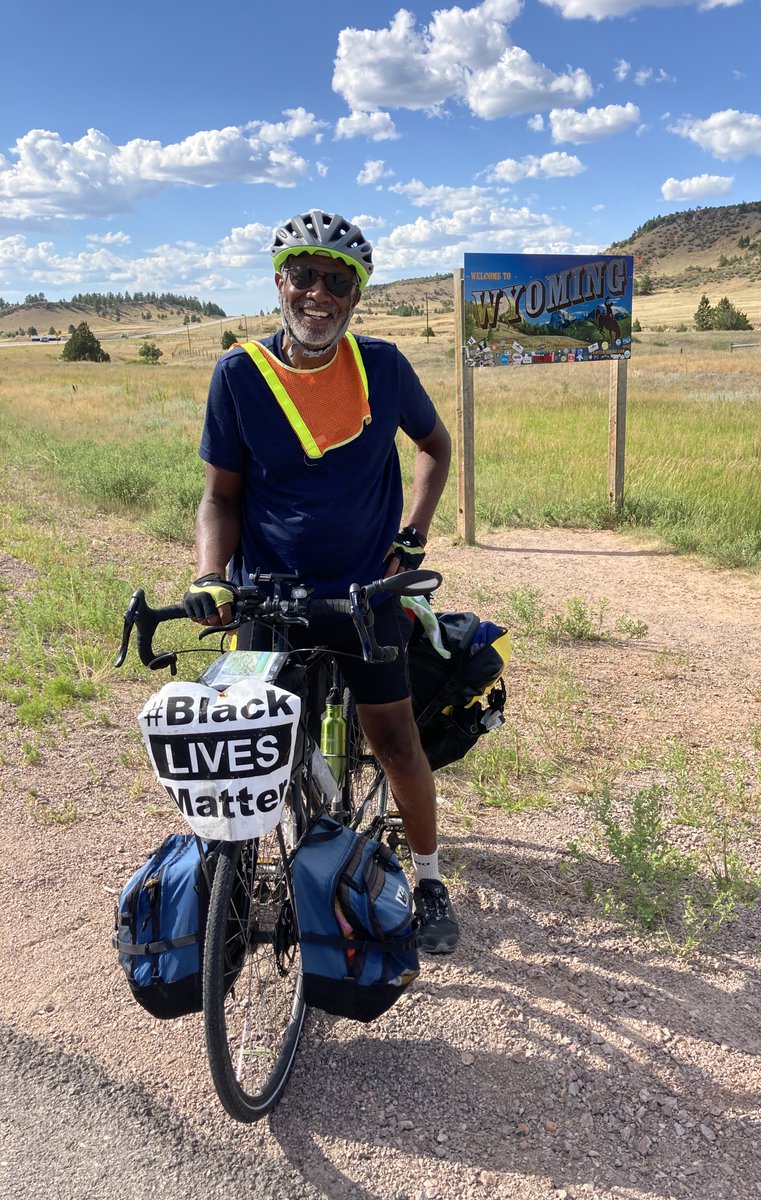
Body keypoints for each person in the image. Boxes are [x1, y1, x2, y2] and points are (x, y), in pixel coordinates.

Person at [183, 209, 457, 954]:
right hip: (266, 595)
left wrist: (412, 536)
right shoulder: (239, 374)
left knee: (396, 739)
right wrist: (211, 576)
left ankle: (429, 878)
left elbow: (436, 446)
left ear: (355, 296)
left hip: (366, 596)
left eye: (338, 281)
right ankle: (229, 888)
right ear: (280, 281)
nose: (319, 293)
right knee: (240, 744)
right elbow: (221, 496)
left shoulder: (384, 367)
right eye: (304, 275)